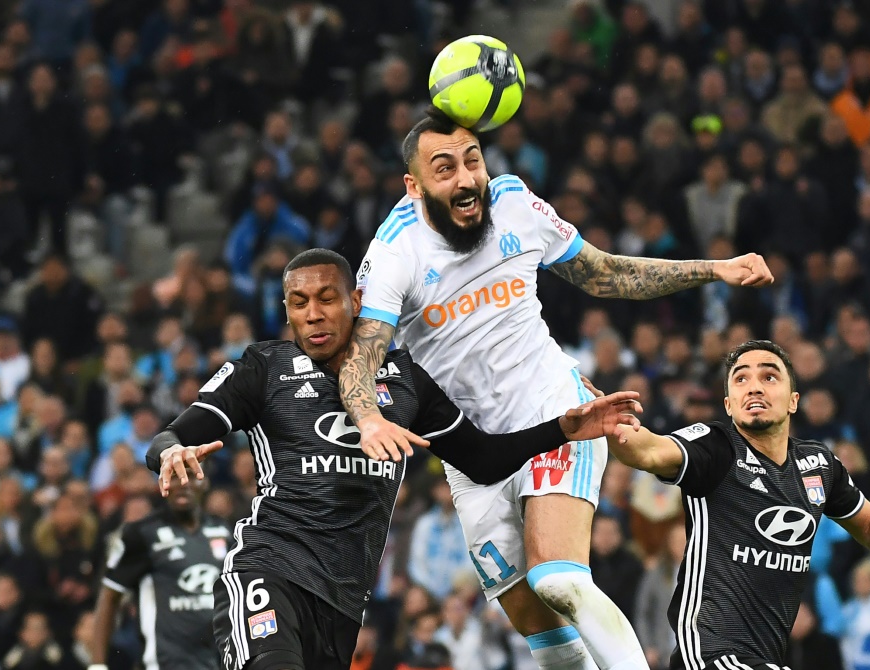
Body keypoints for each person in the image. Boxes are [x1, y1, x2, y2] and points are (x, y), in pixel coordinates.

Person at [339, 106, 774, 670]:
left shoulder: (515, 204)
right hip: (473, 453)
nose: (467, 179)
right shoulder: (396, 250)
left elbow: (606, 273)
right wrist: (368, 417)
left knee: (558, 580)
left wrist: (714, 268)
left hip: (557, 411)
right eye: (444, 169)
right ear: (414, 186)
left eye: (473, 161)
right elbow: (361, 355)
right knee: (543, 635)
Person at [146, 249, 640, 670]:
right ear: (287, 311)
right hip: (267, 570)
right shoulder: (263, 368)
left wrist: (562, 429)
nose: (313, 314)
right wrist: (171, 450)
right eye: (299, 303)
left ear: (356, 301)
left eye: (326, 299)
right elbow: (170, 435)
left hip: (343, 601)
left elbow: (483, 460)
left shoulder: (403, 378)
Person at [601, 339, 870, 669]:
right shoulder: (715, 448)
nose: (754, 387)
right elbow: (651, 450)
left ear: (793, 401)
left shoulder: (819, 464)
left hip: (764, 658)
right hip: (709, 656)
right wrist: (616, 431)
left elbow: (868, 522)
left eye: (769, 377)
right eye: (741, 379)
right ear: (729, 405)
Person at [90, 469, 232, 670]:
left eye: (191, 475)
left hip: (219, 662)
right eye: (174, 476)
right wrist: (97, 664)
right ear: (162, 483)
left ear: (205, 482)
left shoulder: (225, 531)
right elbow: (109, 596)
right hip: (163, 664)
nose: (183, 483)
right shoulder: (140, 534)